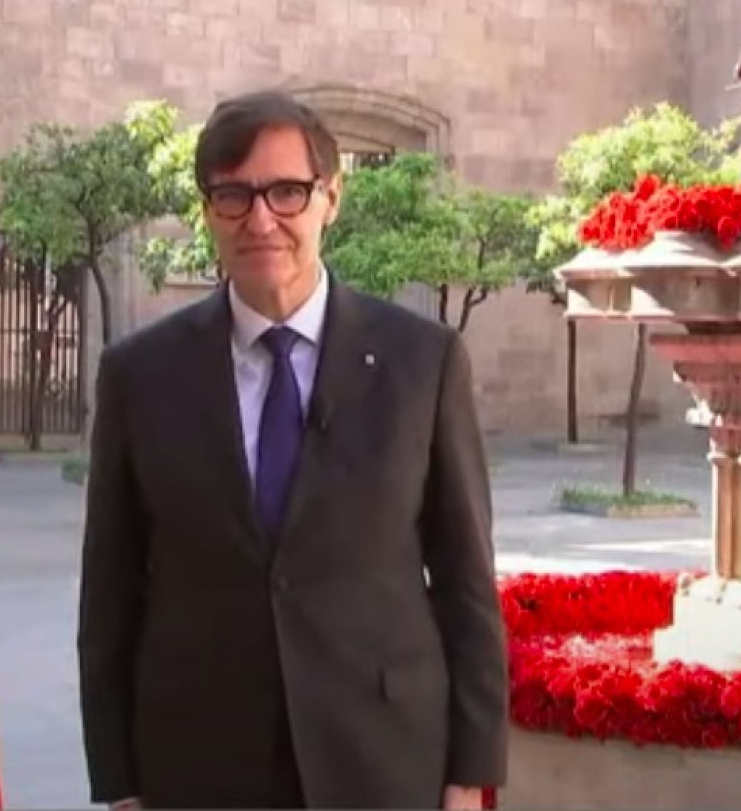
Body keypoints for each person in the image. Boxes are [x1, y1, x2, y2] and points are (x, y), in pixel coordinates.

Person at [76, 89, 508, 810]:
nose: (261, 219)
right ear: (208, 209)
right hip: (197, 761)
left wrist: (470, 775)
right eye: (234, 196)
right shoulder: (139, 376)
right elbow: (110, 595)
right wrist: (119, 783)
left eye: (286, 191)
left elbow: (467, 582)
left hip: (382, 756)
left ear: (330, 198)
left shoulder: (421, 364)